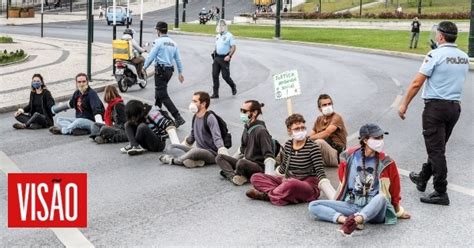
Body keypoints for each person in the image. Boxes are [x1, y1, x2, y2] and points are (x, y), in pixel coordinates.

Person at [398, 21, 469, 206]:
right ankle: (422, 177)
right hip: (454, 108)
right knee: (437, 146)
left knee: (436, 150)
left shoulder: (434, 55)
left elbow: (416, 83)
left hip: (435, 108)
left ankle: (440, 191)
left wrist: (404, 103)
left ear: (440, 36)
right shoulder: (463, 56)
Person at [308, 123, 411, 237]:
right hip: (352, 205)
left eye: (382, 137)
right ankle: (346, 220)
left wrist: (398, 210)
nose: (381, 141)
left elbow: (395, 188)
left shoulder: (387, 162)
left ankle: (356, 221)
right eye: (377, 138)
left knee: (381, 197)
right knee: (313, 205)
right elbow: (343, 180)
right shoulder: (348, 156)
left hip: (376, 209)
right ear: (365, 140)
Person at [246, 114, 336, 206]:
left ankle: (267, 195)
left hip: (307, 185)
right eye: (297, 129)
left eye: (303, 128)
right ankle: (279, 193)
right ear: (289, 131)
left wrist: (333, 195)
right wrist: (270, 178)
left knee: (291, 184)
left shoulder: (313, 147)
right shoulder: (288, 145)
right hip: (288, 180)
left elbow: (320, 172)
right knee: (256, 177)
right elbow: (283, 168)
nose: (301, 131)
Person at [159, 91, 229, 168]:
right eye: (192, 101)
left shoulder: (210, 118)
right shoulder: (195, 117)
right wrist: (181, 147)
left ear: (203, 104)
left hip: (212, 153)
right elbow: (191, 138)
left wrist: (223, 154)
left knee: (195, 151)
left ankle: (174, 160)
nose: (192, 104)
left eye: (195, 101)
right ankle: (195, 161)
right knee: (171, 147)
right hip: (198, 150)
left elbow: (217, 137)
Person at [216, 100, 277, 186]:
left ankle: (236, 175)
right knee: (220, 157)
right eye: (241, 110)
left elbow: (268, 155)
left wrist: (269, 177)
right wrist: (230, 162)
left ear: (255, 112)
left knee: (241, 163)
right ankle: (233, 177)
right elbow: (242, 149)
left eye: (244, 111)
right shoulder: (246, 128)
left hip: (258, 167)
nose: (241, 113)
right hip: (245, 162)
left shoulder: (261, 131)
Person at [144, 21, 186, 128]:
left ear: (158, 31)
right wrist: (180, 72)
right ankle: (156, 115)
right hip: (169, 71)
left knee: (162, 94)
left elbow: (150, 56)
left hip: (161, 71)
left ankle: (177, 117)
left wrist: (144, 67)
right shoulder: (173, 43)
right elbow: (178, 60)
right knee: (159, 94)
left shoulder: (158, 42)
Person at [309, 94, 348, 167]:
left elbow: (326, 133)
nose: (327, 106)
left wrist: (308, 138)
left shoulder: (336, 118)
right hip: (325, 155)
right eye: (324, 105)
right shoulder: (319, 119)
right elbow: (311, 135)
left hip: (336, 155)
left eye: (329, 104)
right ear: (319, 108)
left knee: (318, 142)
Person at [211, 19, 237, 99]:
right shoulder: (218, 36)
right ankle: (215, 94)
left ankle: (233, 86)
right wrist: (215, 52)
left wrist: (229, 56)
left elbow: (233, 47)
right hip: (217, 57)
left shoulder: (230, 35)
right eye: (219, 25)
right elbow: (217, 45)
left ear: (225, 26)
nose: (221, 27)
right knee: (214, 75)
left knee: (225, 76)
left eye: (222, 25)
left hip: (225, 58)